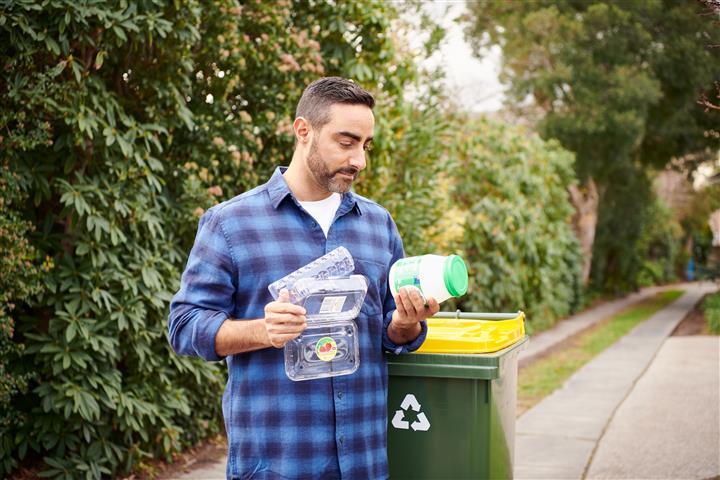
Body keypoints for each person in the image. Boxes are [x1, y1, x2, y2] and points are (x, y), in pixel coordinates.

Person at [168, 76, 440, 479]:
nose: (359, 161)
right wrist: (264, 331)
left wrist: (403, 324)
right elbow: (185, 326)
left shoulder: (379, 225)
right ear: (303, 131)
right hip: (278, 463)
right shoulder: (231, 223)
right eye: (346, 142)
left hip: (363, 463)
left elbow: (389, 331)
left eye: (366, 146)